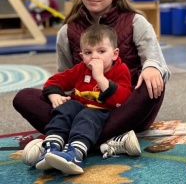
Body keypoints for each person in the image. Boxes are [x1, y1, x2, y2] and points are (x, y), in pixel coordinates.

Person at [13, 0, 170, 147]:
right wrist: (56, 96)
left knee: (154, 84)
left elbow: (160, 66)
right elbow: (65, 79)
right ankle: (97, 139)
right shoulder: (67, 31)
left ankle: (72, 137)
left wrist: (152, 66)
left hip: (125, 110)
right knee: (24, 97)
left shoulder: (136, 22)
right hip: (82, 109)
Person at [29, 24, 133, 175]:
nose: (94, 57)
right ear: (82, 56)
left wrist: (99, 77)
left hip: (102, 114)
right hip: (78, 108)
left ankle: (75, 154)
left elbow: (122, 100)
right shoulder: (81, 69)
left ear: (115, 54)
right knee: (66, 107)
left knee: (87, 115)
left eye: (101, 51)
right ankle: (51, 147)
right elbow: (54, 80)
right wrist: (55, 96)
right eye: (88, 52)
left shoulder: (120, 70)